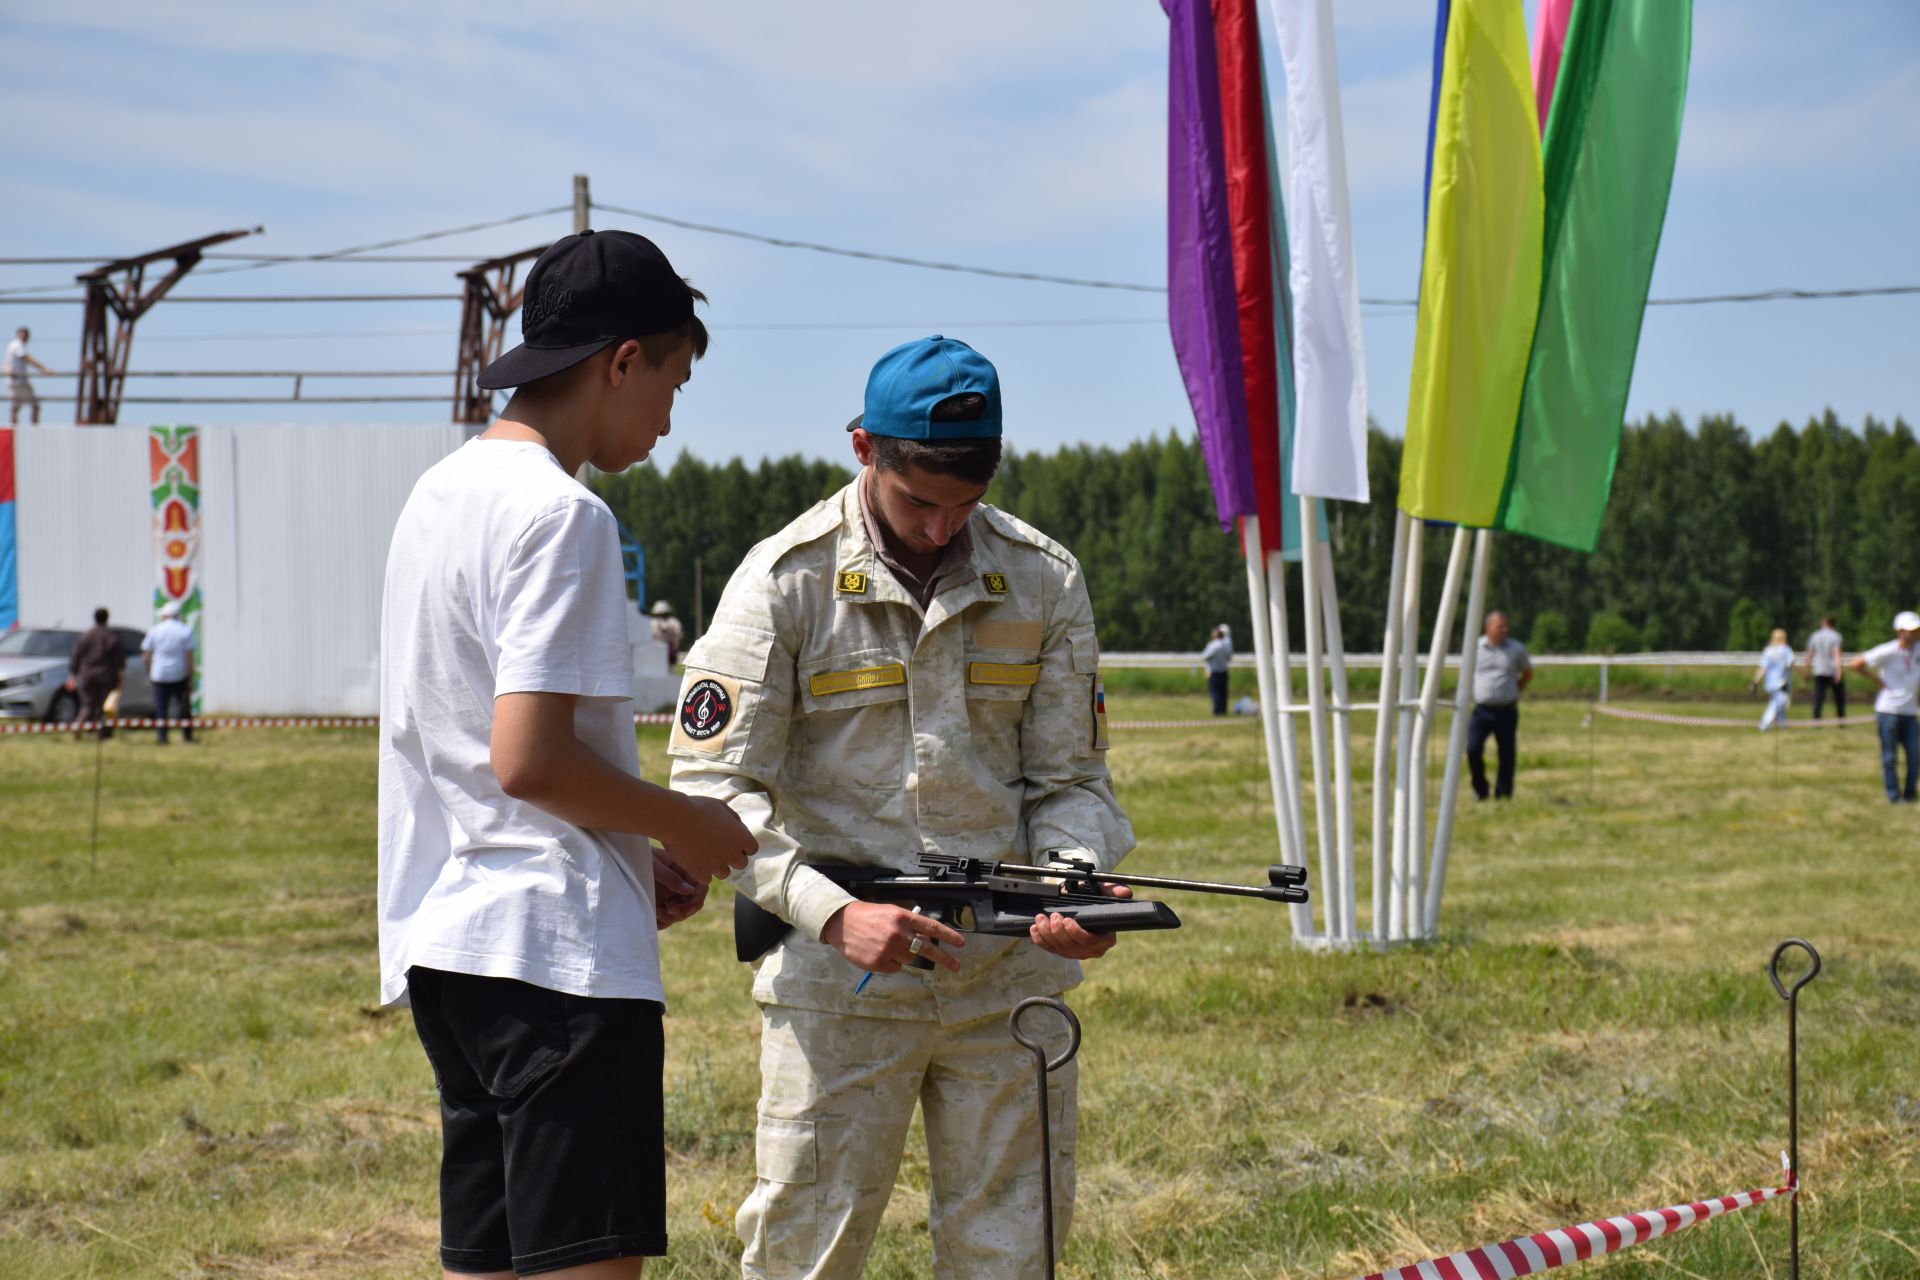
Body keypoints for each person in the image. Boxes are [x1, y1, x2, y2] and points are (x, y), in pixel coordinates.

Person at [668, 335, 1135, 1280]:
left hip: (1005, 980)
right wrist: (834, 914)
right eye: (919, 500)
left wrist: (1076, 891)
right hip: (841, 984)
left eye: (964, 504)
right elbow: (711, 788)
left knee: (1014, 1249)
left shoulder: (1041, 579)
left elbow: (1071, 783)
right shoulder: (786, 583)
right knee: (806, 1251)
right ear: (863, 450)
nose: (939, 528)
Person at [377, 229, 756, 1280]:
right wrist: (683, 819)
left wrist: (638, 857)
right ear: (621, 359)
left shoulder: (437, 494)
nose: (670, 418)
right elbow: (531, 759)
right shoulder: (564, 514)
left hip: (452, 942)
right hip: (557, 958)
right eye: (672, 382)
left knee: (489, 1261)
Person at [1848, 610, 1920, 803]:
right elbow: (1855, 664)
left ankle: (1910, 795)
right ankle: (1894, 797)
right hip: (1888, 711)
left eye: (1917, 630)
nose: (1914, 634)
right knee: (1889, 757)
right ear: (1899, 631)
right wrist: (1878, 681)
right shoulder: (1888, 650)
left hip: (1910, 712)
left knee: (1915, 756)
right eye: (1911, 630)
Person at [1467, 610, 1532, 801]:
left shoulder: (1516, 649)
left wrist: (1515, 690)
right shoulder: (1474, 647)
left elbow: (1527, 673)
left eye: (1506, 626)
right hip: (1481, 710)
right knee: (1472, 748)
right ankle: (1480, 789)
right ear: (1488, 628)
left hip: (1507, 710)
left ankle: (1503, 794)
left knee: (1506, 753)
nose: (1505, 630)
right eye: (1500, 626)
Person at [141, 600, 197, 744]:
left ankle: (162, 737)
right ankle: (187, 736)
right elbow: (189, 657)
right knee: (184, 707)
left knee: (161, 708)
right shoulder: (185, 630)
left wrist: (150, 671)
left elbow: (146, 655)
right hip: (179, 674)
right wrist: (190, 676)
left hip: (159, 675)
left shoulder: (155, 630)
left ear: (164, 616)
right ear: (178, 615)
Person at [65, 607, 125, 740]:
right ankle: (104, 734)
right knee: (106, 706)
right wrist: (120, 677)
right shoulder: (111, 637)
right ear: (107, 618)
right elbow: (118, 660)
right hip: (106, 675)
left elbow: (76, 656)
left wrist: (73, 675)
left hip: (87, 675)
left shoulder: (85, 636)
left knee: (88, 703)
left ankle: (79, 725)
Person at [1804, 615, 1846, 720]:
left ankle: (1816, 719)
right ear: (1833, 624)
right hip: (1832, 671)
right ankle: (1841, 719)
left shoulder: (1814, 636)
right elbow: (1837, 655)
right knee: (1839, 698)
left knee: (1818, 697)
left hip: (1819, 670)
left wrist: (1807, 670)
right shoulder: (1836, 636)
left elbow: (1809, 655)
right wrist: (1839, 671)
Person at [5, 326, 49, 425]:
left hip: (13, 382)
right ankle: (34, 429)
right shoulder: (17, 345)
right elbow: (26, 359)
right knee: (35, 405)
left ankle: (14, 428)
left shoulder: (12, 345)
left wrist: (7, 369)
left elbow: (6, 362)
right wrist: (43, 369)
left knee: (16, 407)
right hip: (19, 382)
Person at [1755, 627, 1794, 731]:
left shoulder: (1768, 650)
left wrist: (1755, 681)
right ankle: (1763, 725)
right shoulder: (1786, 649)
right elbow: (1790, 664)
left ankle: (1783, 727)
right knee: (1776, 704)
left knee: (1779, 704)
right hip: (1782, 683)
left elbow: (1763, 668)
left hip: (1769, 683)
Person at [1200, 623, 1233, 715]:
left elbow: (1204, 656)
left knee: (1215, 692)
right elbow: (1229, 658)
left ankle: (1217, 711)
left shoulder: (1213, 645)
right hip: (1224, 671)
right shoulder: (1226, 645)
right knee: (1223, 692)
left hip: (1214, 672)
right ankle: (1223, 709)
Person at [647, 599, 683, 668]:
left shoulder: (652, 622)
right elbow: (678, 636)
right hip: (660, 649)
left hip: (663, 650)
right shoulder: (674, 622)